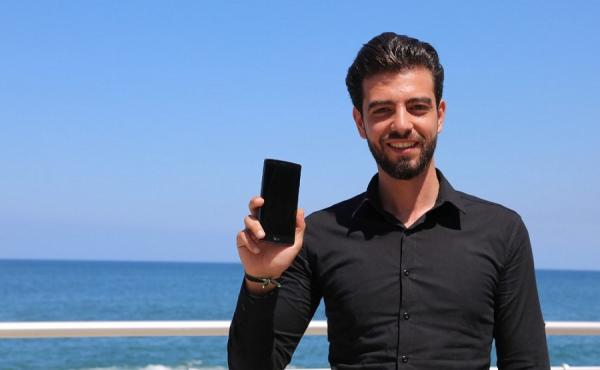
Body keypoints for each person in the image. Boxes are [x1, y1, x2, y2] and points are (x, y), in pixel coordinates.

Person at [228, 32, 550, 370]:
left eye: (417, 107)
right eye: (382, 110)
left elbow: (527, 363)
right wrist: (260, 280)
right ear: (360, 122)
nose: (401, 124)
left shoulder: (502, 231)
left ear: (439, 115)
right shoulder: (319, 235)